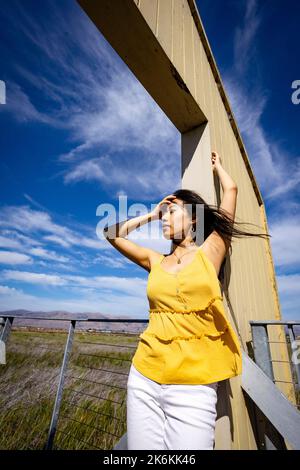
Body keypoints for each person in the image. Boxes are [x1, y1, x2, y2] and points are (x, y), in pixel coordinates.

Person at [103, 151, 271, 450]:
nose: (165, 219)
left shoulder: (212, 251)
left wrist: (219, 167)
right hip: (145, 373)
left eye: (173, 211)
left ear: (194, 217)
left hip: (194, 382)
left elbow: (231, 191)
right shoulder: (156, 260)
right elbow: (111, 234)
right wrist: (152, 213)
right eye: (164, 215)